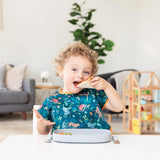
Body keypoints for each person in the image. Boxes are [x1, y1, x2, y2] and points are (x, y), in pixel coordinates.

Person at [33, 42, 124, 135]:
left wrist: (107, 86)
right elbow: (43, 132)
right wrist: (41, 125)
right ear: (60, 71)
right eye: (74, 69)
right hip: (66, 144)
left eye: (86, 72)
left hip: (97, 143)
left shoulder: (94, 94)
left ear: (91, 76)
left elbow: (119, 107)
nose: (80, 75)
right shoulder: (51, 101)